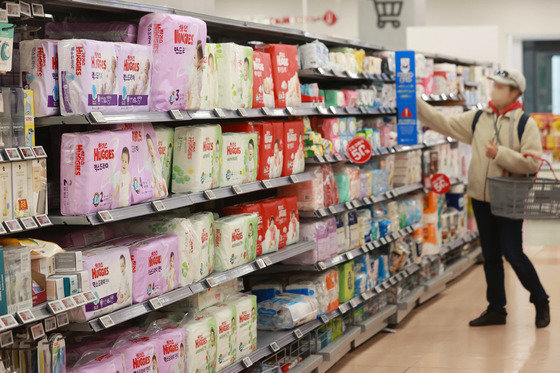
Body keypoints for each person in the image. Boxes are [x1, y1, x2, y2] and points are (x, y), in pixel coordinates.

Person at [416, 67, 550, 328]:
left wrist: (499, 154)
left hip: (510, 196)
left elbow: (533, 164)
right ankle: (497, 309)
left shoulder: (526, 123)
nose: (494, 89)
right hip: (480, 196)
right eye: (494, 84)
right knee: (490, 255)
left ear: (515, 93)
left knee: (513, 253)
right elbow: (444, 123)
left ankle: (540, 299)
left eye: (501, 86)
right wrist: (414, 99)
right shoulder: (479, 118)